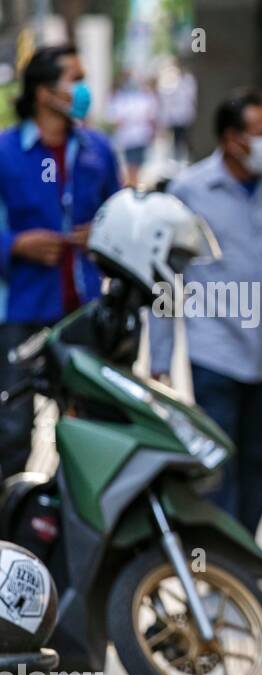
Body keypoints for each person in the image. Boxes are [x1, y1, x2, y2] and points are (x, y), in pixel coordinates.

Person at [149, 88, 262, 537]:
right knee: (216, 457)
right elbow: (168, 277)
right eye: (261, 132)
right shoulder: (190, 190)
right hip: (215, 349)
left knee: (260, 461)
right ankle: (218, 554)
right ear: (232, 139)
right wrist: (159, 360)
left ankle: (242, 547)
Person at [0, 44, 120, 479]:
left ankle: (71, 534)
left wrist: (105, 234)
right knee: (11, 431)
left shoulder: (97, 151)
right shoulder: (6, 151)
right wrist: (14, 245)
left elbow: (119, 214)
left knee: (85, 428)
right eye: (75, 78)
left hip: (83, 311)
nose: (83, 88)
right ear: (44, 92)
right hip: (19, 311)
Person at [106, 74, 157, 187]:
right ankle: (131, 183)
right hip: (128, 138)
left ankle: (133, 183)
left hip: (141, 137)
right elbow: (115, 119)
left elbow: (150, 117)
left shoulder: (144, 98)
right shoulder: (120, 98)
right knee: (131, 164)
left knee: (137, 164)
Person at [157, 64, 197, 163]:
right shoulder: (168, 85)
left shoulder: (186, 83)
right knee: (176, 140)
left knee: (183, 139)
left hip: (184, 118)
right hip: (174, 119)